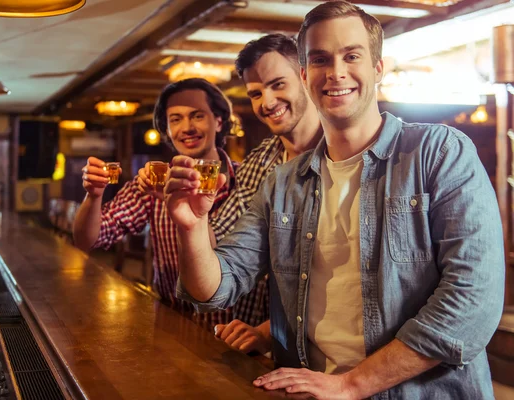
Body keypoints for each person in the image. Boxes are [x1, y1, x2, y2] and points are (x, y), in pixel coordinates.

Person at [164, 1, 504, 398]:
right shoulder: (282, 182)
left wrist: (352, 384)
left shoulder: (439, 152)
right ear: (306, 75)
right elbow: (215, 290)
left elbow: (472, 301)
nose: (336, 72)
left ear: (378, 67)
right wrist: (192, 227)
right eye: (321, 59)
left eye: (351, 55)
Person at [72, 78, 242, 327]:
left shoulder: (248, 180)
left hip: (238, 336)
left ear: (218, 121)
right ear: (167, 129)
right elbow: (88, 239)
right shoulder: (155, 182)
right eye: (175, 119)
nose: (187, 127)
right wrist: (94, 195)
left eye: (197, 116)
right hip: (175, 326)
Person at [208, 34, 322, 355]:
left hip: (324, 354)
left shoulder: (342, 154)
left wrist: (272, 330)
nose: (266, 102)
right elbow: (223, 247)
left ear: (304, 76)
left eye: (277, 84)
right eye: (256, 93)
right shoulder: (261, 159)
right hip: (261, 345)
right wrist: (195, 215)